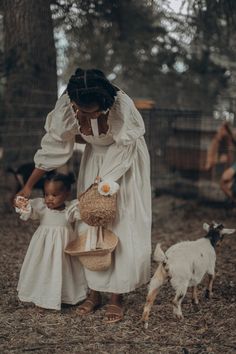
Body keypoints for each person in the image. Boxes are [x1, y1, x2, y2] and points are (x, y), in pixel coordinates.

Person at [16, 68, 152, 323]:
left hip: (124, 164)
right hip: (95, 161)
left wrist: (104, 186)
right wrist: (27, 186)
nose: (83, 116)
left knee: (118, 223)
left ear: (105, 105)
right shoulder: (68, 105)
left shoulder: (122, 108)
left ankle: (116, 297)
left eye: (92, 112)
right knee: (88, 222)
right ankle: (94, 291)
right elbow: (53, 146)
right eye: (81, 110)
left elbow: (123, 151)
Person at [15, 172, 87, 310]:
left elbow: (83, 209)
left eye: (54, 195)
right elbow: (22, 205)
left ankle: (64, 295)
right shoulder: (41, 207)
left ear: (66, 193)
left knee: (64, 270)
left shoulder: (69, 209)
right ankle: (42, 294)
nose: (49, 199)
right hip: (44, 248)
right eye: (46, 194)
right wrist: (20, 201)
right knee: (44, 269)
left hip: (64, 248)